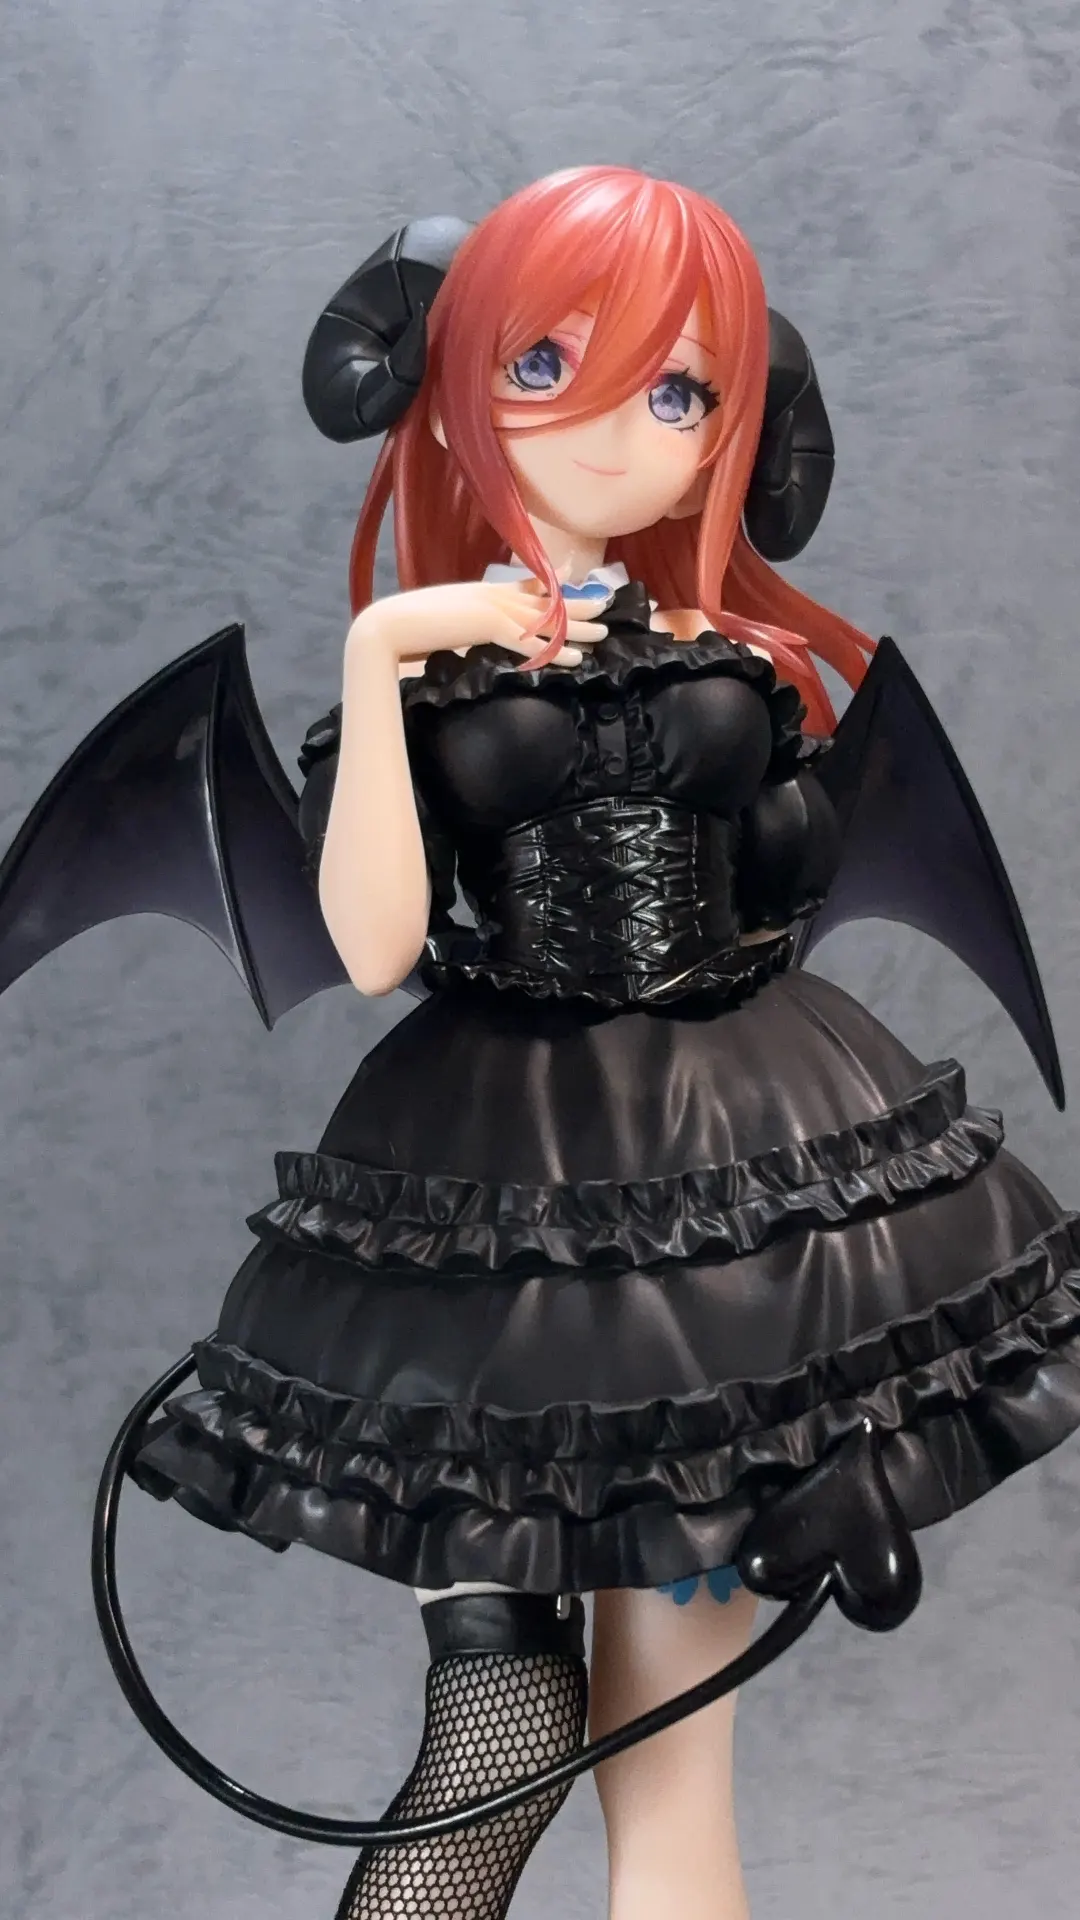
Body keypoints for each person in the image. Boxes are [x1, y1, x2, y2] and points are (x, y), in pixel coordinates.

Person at [114, 166, 1080, 1919]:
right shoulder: (425, 672)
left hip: (725, 1201)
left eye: (684, 390)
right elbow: (374, 946)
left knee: (669, 1764)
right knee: (500, 1727)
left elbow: (776, 890)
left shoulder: (733, 658)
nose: (626, 429)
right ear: (444, 388)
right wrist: (389, 652)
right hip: (493, 1217)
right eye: (549, 365)